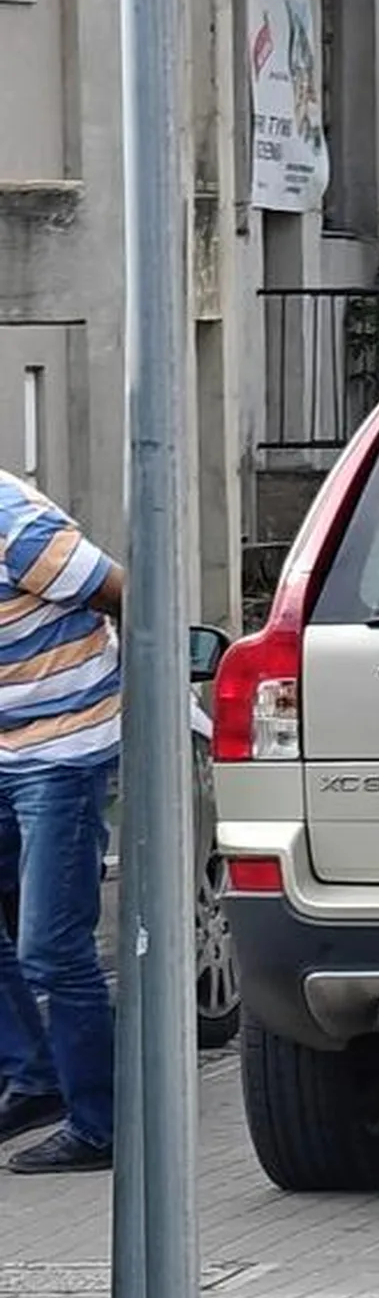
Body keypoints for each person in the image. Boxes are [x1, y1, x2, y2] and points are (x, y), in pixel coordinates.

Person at [0, 472, 123, 1174]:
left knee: (50, 946)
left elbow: (130, 595)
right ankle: (35, 1078)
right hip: (6, 744)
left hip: (63, 750)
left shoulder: (15, 525)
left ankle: (102, 1126)